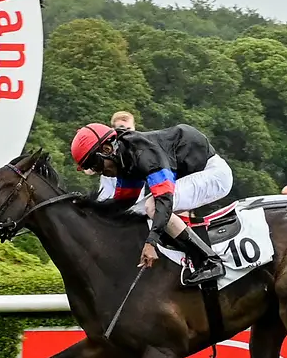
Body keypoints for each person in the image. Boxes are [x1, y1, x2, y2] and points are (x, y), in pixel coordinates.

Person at [70, 121, 233, 285]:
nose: (100, 172)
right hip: (191, 173)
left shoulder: (144, 154)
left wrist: (151, 243)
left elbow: (164, 201)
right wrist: (87, 207)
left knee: (152, 206)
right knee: (138, 210)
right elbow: (123, 204)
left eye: (96, 165)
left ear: (107, 149)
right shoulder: (124, 157)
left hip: (214, 176)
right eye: (92, 168)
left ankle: (210, 260)